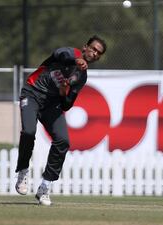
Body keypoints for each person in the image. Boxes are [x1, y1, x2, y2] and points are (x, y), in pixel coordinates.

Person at [15, 35, 107, 205]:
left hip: (51, 105)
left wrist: (64, 92)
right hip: (32, 93)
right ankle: (23, 170)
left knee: (63, 140)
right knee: (28, 131)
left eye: (98, 53)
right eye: (93, 49)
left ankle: (45, 186)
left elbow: (66, 105)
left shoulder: (82, 77)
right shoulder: (73, 52)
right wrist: (76, 59)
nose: (94, 53)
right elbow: (59, 53)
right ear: (85, 47)